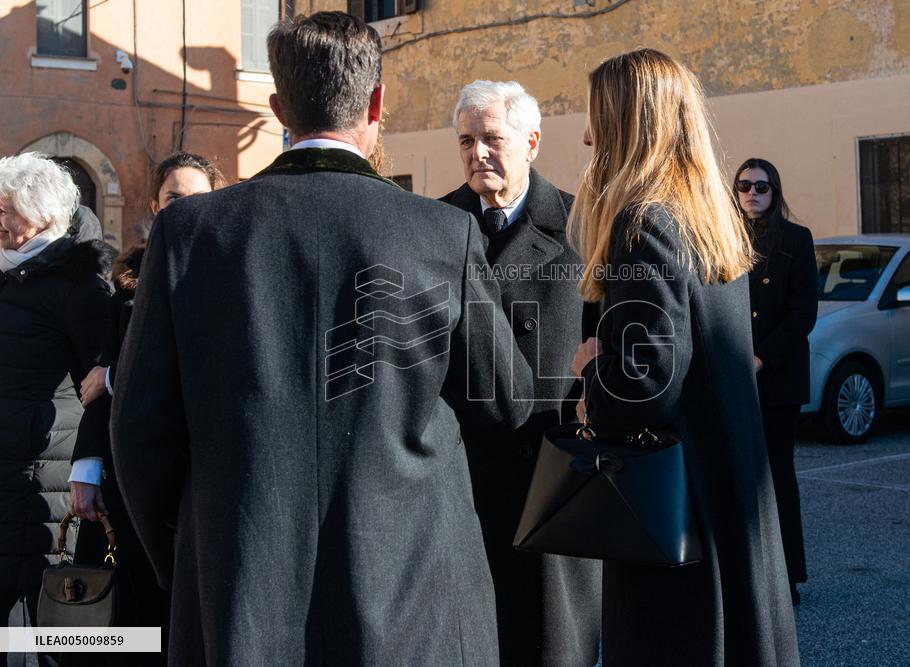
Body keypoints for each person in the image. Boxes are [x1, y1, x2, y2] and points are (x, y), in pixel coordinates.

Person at [110, 11, 533, 666]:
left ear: (279, 106)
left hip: (240, 591)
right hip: (412, 594)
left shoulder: (189, 233)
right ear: (377, 104)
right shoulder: (442, 233)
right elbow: (506, 398)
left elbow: (139, 430)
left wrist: (195, 553)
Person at [567, 50, 800, 665]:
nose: (587, 136)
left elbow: (645, 383)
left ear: (626, 124)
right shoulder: (708, 215)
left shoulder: (644, 222)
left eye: (596, 117)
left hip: (677, 518)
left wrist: (591, 369)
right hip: (727, 501)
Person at [440, 80, 601, 666]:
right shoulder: (437, 226)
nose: (477, 153)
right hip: (466, 469)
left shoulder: (581, 227)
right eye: (465, 141)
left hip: (552, 469)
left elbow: (602, 334)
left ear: (531, 142)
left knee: (552, 643)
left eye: (491, 139)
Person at [66, 152, 225, 666]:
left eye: (196, 198)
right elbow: (96, 382)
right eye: (174, 198)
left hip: (193, 467)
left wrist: (116, 378)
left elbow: (206, 367)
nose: (183, 208)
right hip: (126, 465)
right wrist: (86, 466)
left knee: (178, 613)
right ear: (156, 206)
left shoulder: (230, 270)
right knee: (117, 613)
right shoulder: (127, 278)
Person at [0, 153, 114, 667]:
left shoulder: (78, 287)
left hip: (40, 481)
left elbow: (100, 387)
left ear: (41, 215)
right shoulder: (7, 274)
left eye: (7, 210)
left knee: (36, 628)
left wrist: (88, 471)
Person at [733, 157, 818, 605]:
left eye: (761, 187)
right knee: (738, 478)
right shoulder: (723, 239)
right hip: (733, 376)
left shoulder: (796, 240)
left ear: (775, 191)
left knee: (777, 477)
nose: (752, 194)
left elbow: (804, 314)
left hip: (777, 378)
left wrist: (762, 357)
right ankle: (747, 574)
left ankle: (787, 577)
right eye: (744, 186)